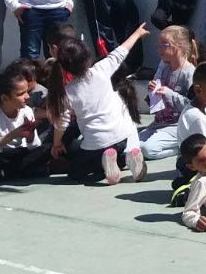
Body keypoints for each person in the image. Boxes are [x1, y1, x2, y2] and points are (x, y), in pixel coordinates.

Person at [42, 24, 150, 185]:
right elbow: (120, 52)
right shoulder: (101, 69)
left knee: (75, 172)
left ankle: (106, 161)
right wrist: (137, 33)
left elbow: (61, 124)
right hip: (125, 134)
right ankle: (127, 156)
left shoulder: (67, 91)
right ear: (86, 56)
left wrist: (57, 144)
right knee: (115, 146)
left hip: (97, 142)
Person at [139, 25, 195, 160]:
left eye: (164, 45)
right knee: (131, 145)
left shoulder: (190, 73)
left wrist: (169, 94)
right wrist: (152, 91)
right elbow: (153, 100)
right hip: (159, 123)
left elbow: (193, 106)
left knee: (147, 149)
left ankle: (180, 148)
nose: (160, 50)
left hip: (177, 126)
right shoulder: (164, 67)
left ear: (179, 46)